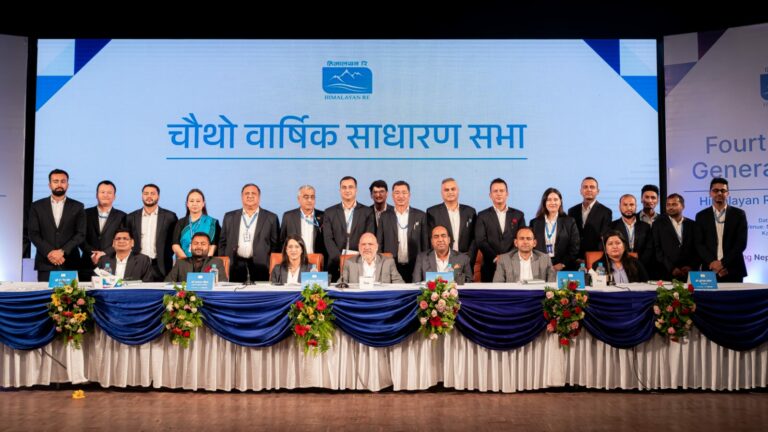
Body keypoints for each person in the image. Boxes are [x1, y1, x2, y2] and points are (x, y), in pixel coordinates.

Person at [28, 169, 86, 282]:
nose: (59, 184)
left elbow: (81, 234)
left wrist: (62, 252)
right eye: (55, 181)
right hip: (46, 262)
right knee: (45, 293)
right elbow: (33, 233)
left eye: (63, 181)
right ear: (49, 185)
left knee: (71, 294)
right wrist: (50, 252)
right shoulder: (37, 206)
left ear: (67, 185)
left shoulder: (78, 206)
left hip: (69, 262)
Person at [220, 184, 280, 282]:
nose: (250, 196)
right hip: (235, 265)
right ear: (241, 196)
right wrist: (223, 264)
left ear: (259, 197)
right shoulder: (229, 217)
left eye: (253, 193)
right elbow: (222, 243)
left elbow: (276, 245)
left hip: (261, 266)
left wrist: (270, 265)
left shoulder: (271, 217)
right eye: (247, 193)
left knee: (260, 291)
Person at [322, 176, 376, 281]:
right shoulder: (329, 212)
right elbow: (328, 239)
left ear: (356, 190)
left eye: (350, 187)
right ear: (340, 190)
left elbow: (368, 238)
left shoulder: (367, 212)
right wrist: (340, 259)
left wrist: (356, 259)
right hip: (335, 264)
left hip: (360, 263)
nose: (347, 190)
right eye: (344, 187)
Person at [695, 177, 748, 282]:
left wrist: (722, 263)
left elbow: (741, 243)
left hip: (733, 269)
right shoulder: (701, 216)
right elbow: (699, 244)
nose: (719, 193)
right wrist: (713, 263)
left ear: (727, 193)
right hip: (709, 269)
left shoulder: (739, 214)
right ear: (710, 193)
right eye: (715, 190)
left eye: (723, 190)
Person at [124, 183, 178, 281]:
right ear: (142, 196)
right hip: (137, 264)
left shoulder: (170, 217)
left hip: (161, 265)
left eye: (152, 193)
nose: (149, 196)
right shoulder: (131, 217)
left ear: (158, 196)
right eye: (146, 193)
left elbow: (174, 240)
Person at [376, 181, 428, 283]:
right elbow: (379, 243)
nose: (400, 196)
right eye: (397, 193)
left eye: (404, 192)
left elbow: (425, 244)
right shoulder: (384, 216)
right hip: (391, 265)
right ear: (392, 195)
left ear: (409, 195)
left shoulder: (420, 215)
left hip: (415, 265)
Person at [475, 178, 525, 281]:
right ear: (490, 195)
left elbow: (521, 239)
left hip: (514, 264)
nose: (498, 194)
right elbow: (480, 241)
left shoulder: (518, 215)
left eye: (501, 191)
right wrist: (495, 257)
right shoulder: (482, 215)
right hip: (490, 265)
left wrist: (507, 258)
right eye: (495, 191)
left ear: (507, 194)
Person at [79, 180, 126, 280]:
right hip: (87, 264)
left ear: (114, 196)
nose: (105, 195)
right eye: (102, 192)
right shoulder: (84, 214)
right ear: (96, 195)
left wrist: (104, 253)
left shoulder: (122, 216)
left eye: (109, 192)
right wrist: (93, 253)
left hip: (112, 263)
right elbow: (79, 236)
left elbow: (122, 240)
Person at [427, 178, 477, 266]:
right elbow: (429, 239)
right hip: (441, 262)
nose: (450, 192)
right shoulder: (432, 212)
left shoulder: (470, 212)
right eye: (446, 190)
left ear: (458, 191)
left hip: (465, 260)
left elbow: (475, 238)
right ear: (441, 193)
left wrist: (469, 258)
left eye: (453, 189)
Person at [529, 188, 580, 271]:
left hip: (563, 267)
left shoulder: (569, 222)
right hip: (540, 266)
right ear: (544, 202)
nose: (552, 202)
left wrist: (563, 264)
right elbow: (531, 246)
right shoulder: (534, 223)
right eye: (549, 200)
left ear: (560, 202)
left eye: (556, 199)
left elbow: (575, 247)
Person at [652, 193, 699, 281]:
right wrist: (671, 268)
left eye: (674, 204)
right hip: (667, 272)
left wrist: (691, 266)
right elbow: (657, 249)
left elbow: (697, 248)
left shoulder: (692, 225)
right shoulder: (657, 224)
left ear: (683, 206)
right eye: (668, 205)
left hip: (689, 273)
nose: (670, 207)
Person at [567, 177, 612, 260]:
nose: (589, 189)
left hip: (595, 258)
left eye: (592, 187)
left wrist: (593, 257)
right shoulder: (572, 211)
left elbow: (604, 239)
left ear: (598, 191)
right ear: (580, 191)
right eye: (585, 187)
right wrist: (574, 257)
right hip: (575, 258)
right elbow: (570, 237)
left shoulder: (606, 212)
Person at [609, 194, 654, 275]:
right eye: (625, 205)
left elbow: (649, 249)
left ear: (636, 206)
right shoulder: (612, 227)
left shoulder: (646, 227)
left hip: (642, 267)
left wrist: (638, 264)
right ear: (619, 207)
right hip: (619, 267)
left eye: (631, 205)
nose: (629, 208)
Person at [280, 185, 325, 262]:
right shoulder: (288, 216)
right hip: (294, 261)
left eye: (312, 197)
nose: (310, 200)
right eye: (306, 197)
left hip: (316, 261)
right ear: (299, 199)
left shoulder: (323, 216)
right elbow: (282, 241)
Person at [172, 189, 220, 260]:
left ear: (203, 203)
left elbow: (214, 246)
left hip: (207, 263)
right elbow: (175, 245)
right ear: (187, 204)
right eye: (191, 201)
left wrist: (205, 262)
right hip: (184, 262)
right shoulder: (180, 223)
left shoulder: (212, 223)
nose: (194, 204)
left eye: (198, 201)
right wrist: (186, 261)